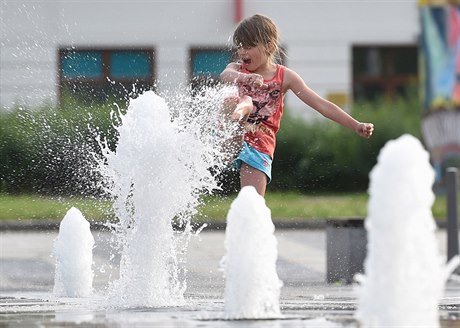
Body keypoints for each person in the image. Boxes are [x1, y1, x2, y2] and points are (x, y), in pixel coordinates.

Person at [220, 14, 374, 196]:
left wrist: (355, 125)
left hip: (260, 143)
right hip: (230, 131)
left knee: (252, 203)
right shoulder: (238, 69)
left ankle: (242, 116)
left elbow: (321, 105)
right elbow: (225, 75)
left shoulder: (286, 77)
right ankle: (238, 120)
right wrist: (246, 78)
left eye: (249, 46)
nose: (242, 52)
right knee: (237, 102)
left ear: (268, 46)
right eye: (240, 47)